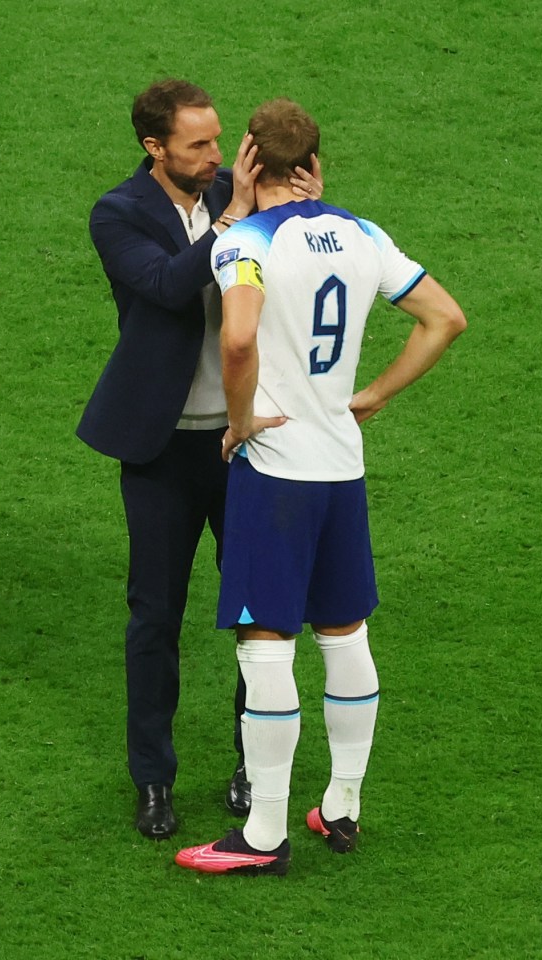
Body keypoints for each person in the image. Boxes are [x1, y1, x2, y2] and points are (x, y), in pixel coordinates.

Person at [174, 98, 467, 875]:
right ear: (315, 164)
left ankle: (262, 834)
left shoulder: (242, 242)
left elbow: (237, 337)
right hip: (341, 466)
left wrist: (239, 421)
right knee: (344, 632)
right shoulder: (365, 235)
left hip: (275, 474)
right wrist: (371, 396)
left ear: (248, 163)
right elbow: (445, 319)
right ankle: (341, 806)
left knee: (264, 640)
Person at [77, 80, 322, 840]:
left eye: (220, 141)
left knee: (257, 615)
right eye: (198, 145)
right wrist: (238, 218)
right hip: (161, 449)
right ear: (154, 147)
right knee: (155, 618)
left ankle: (255, 765)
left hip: (248, 444)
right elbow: (165, 287)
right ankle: (153, 779)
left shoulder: (240, 192)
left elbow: (315, 269)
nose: (218, 156)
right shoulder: (118, 214)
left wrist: (307, 209)